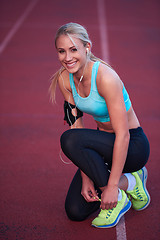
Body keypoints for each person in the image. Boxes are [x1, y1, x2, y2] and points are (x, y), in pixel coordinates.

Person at [49, 22, 150, 228]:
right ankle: (129, 183)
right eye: (62, 51)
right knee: (75, 211)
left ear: (87, 47)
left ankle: (127, 184)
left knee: (68, 140)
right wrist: (87, 177)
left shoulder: (106, 77)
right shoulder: (64, 80)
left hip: (132, 146)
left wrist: (111, 187)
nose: (67, 58)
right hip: (102, 148)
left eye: (73, 49)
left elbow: (122, 135)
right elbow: (75, 128)